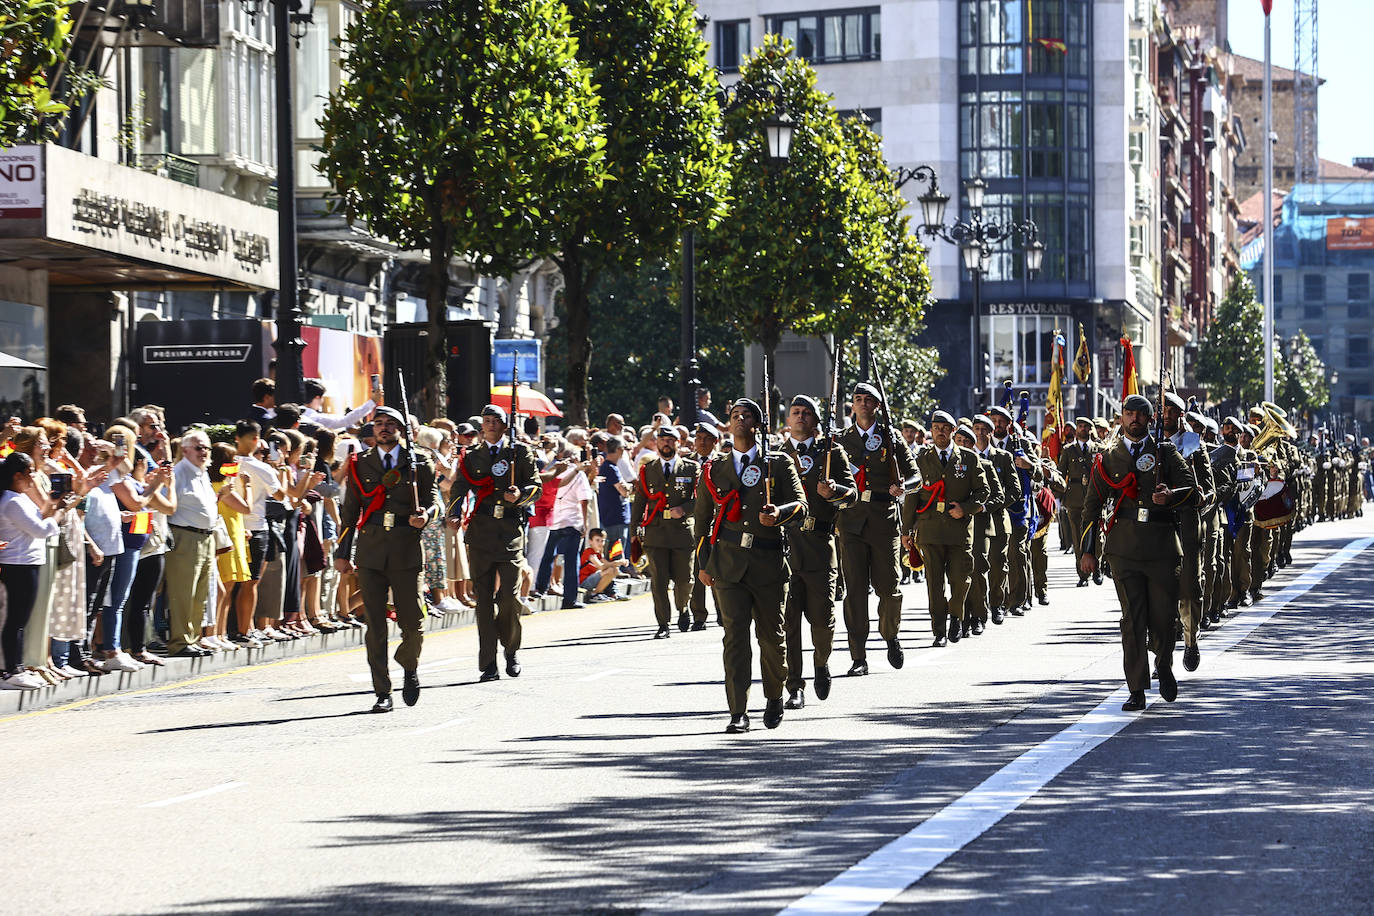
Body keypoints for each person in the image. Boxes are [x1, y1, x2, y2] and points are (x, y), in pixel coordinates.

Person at [694, 398, 807, 733]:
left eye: (747, 416)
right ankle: (738, 711)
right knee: (735, 638)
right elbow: (701, 522)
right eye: (734, 416)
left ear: (758, 425)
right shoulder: (715, 469)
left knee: (772, 638)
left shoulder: (778, 463)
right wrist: (703, 564)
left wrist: (779, 513)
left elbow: (801, 506)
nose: (740, 419)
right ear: (728, 425)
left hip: (768, 563)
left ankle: (774, 696)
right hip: (727, 565)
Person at [1080, 394, 1196, 711]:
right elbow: (1091, 507)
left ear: (1149, 419)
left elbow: (1192, 489)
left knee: (1163, 619)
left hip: (1161, 546)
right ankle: (1136, 689)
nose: (1134, 419)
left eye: (1140, 415)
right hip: (1123, 548)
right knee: (1132, 620)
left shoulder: (1165, 452)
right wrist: (1087, 551)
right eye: (1129, 414)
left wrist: (1169, 495)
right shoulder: (1108, 457)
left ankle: (1165, 666)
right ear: (1121, 418)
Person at [334, 406, 439, 712]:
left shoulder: (419, 461)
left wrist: (426, 515)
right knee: (375, 626)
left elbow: (434, 502)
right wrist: (343, 554)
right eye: (378, 424)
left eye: (390, 424)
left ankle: (408, 666)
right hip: (371, 551)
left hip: (407, 548)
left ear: (401, 429)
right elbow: (350, 513)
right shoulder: (359, 463)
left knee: (413, 624)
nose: (383, 428)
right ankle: (382, 692)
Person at [449, 404, 540, 682]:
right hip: (481, 531)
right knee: (484, 601)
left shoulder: (519, 452)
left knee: (510, 598)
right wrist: (453, 513)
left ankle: (511, 648)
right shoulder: (471, 456)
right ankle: (488, 662)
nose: (489, 424)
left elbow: (536, 487)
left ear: (504, 425)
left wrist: (520, 495)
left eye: (495, 420)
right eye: (486, 421)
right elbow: (459, 487)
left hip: (510, 530)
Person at [837, 382, 917, 675]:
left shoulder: (891, 437)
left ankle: (890, 635)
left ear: (877, 406)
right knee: (855, 591)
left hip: (883, 519)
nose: (861, 404)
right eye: (857, 399)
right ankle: (858, 656)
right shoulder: (841, 440)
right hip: (851, 521)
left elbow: (916, 477)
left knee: (889, 586)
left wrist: (902, 488)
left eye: (867, 400)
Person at [779, 394, 854, 709]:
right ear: (788, 420)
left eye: (806, 413)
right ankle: (794, 686)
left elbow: (851, 495)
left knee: (822, 619)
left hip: (820, 545)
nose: (800, 417)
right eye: (795, 412)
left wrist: (834, 491)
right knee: (789, 623)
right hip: (784, 547)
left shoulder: (831, 453)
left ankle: (821, 662)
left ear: (815, 420)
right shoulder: (777, 455)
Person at [904, 413, 988, 646]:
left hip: (959, 531)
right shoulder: (922, 459)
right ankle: (939, 630)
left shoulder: (969, 458)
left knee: (961, 581)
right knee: (934, 583)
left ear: (953, 430)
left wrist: (966, 508)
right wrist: (906, 531)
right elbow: (912, 497)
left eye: (944, 428)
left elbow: (983, 492)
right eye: (936, 427)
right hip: (930, 531)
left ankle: (956, 618)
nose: (940, 432)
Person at [0, 452, 74, 689]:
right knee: (16, 620)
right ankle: (12, 670)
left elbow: (40, 521)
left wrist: (53, 506)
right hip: (18, 565)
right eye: (30, 471)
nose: (34, 476)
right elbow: (40, 530)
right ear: (17, 475)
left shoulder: (18, 498)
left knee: (21, 619)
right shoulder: (11, 501)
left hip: (27, 563)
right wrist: (61, 511)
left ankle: (17, 667)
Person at [631, 425, 699, 637]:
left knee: (684, 580)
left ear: (678, 443)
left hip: (682, 533)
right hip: (656, 533)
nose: (666, 443)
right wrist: (634, 531)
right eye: (662, 440)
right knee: (658, 582)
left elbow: (701, 500)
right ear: (657, 443)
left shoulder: (691, 468)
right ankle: (663, 624)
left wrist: (685, 509)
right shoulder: (647, 469)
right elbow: (639, 502)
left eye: (671, 440)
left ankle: (683, 608)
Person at [165, 430, 220, 659]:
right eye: (198, 448)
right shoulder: (179, 472)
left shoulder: (202, 472)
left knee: (200, 594)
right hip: (185, 537)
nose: (204, 452)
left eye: (206, 447)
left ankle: (192, 637)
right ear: (185, 450)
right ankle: (180, 641)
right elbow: (169, 504)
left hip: (205, 537)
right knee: (183, 593)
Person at [534, 445, 593, 610]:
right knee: (571, 561)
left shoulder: (553, 470)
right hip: (572, 521)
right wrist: (585, 523)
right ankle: (569, 599)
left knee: (548, 557)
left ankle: (541, 588)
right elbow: (584, 499)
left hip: (554, 520)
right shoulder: (577, 474)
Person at [301, 377, 377, 431]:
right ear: (317, 397)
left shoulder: (295, 413)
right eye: (322, 398)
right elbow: (345, 420)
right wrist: (373, 401)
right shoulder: (315, 418)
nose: (322, 402)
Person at [578, 527, 628, 602]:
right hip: (584, 582)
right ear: (590, 541)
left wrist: (619, 563)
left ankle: (613, 592)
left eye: (602, 541)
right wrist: (617, 562)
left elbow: (607, 564)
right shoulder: (589, 553)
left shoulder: (599, 554)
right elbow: (602, 567)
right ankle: (595, 594)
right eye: (597, 540)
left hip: (592, 580)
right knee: (610, 570)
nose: (600, 543)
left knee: (614, 570)